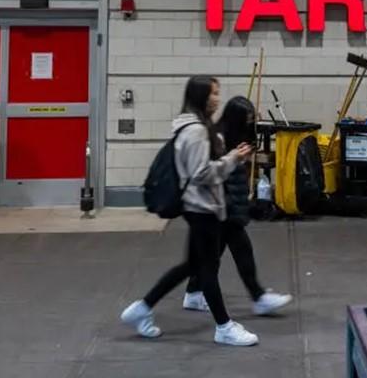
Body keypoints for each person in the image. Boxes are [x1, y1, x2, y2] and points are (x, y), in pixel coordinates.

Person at [121, 76, 260, 347]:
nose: (217, 99)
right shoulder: (196, 130)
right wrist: (233, 159)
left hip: (198, 206)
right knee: (208, 269)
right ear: (200, 97)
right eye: (213, 94)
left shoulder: (193, 126)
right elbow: (201, 174)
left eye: (218, 93)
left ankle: (142, 308)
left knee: (192, 265)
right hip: (202, 207)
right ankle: (224, 326)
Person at [183, 96, 292, 316]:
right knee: (240, 250)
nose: (248, 123)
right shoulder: (218, 138)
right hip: (221, 206)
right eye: (247, 119)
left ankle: (193, 291)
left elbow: (245, 152)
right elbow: (215, 172)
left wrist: (252, 132)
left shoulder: (233, 135)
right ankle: (257, 296)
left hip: (227, 205)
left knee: (212, 256)